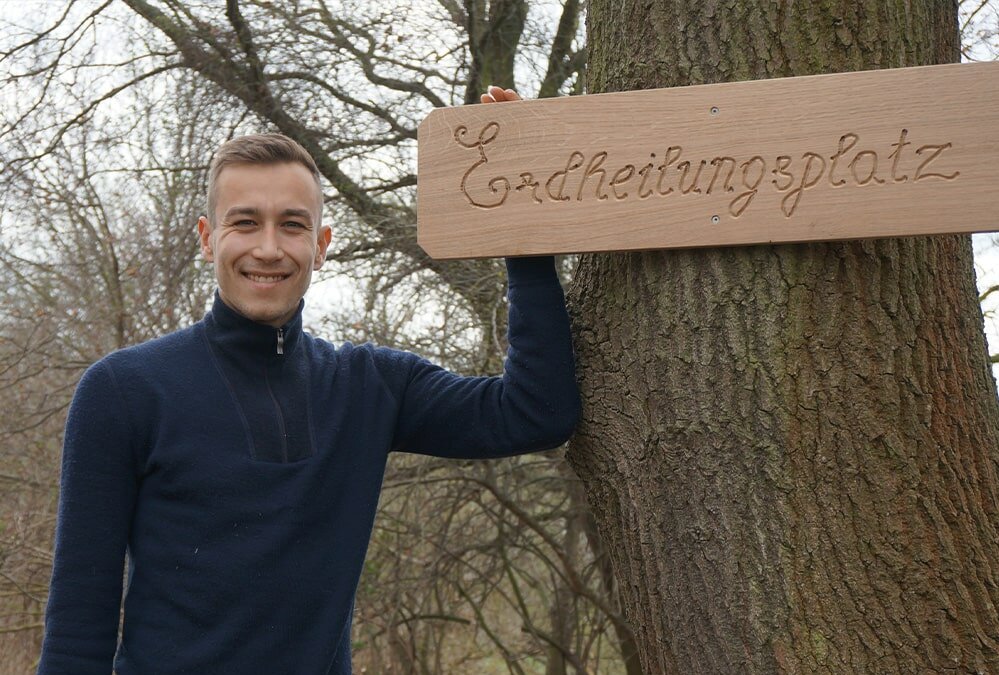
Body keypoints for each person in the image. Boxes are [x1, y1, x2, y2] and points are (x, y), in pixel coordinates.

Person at [36, 86, 580, 674]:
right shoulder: (124, 390)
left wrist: (526, 237)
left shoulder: (370, 386)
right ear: (207, 237)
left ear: (320, 245)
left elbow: (536, 411)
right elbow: (78, 628)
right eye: (244, 222)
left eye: (292, 226)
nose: (268, 248)